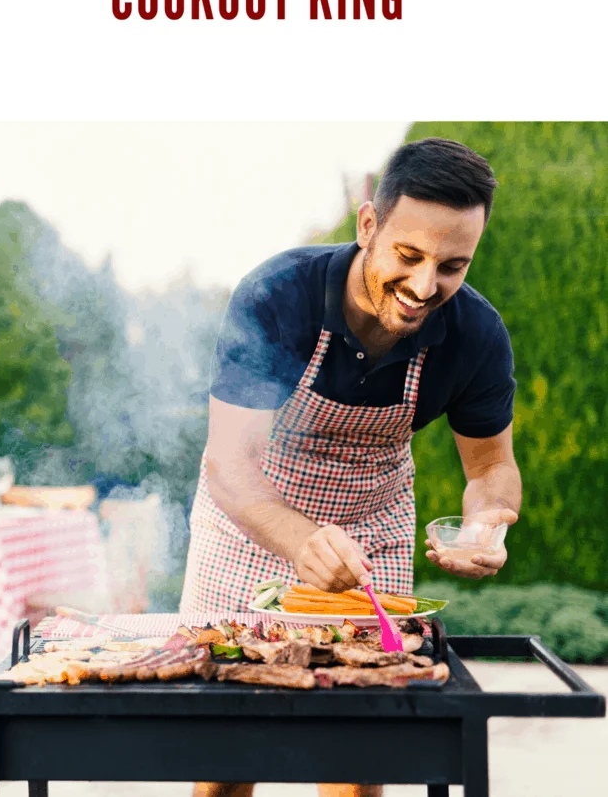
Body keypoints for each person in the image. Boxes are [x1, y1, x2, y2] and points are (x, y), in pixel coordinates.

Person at [182, 138, 522, 797]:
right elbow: (226, 463)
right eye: (409, 255)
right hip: (249, 523)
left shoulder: (476, 335)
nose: (425, 287)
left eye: (452, 266)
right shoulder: (280, 296)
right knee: (227, 750)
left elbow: (491, 467)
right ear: (369, 225)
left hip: (374, 531)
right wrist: (301, 541)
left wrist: (489, 520)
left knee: (360, 752)